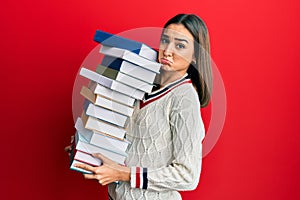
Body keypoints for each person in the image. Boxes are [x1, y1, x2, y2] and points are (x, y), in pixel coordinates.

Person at [71, 13, 212, 200]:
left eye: (180, 45)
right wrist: (86, 150)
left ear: (196, 55)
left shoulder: (184, 98)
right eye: (164, 40)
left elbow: (188, 175)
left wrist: (123, 174)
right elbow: (130, 148)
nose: (167, 51)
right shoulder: (142, 84)